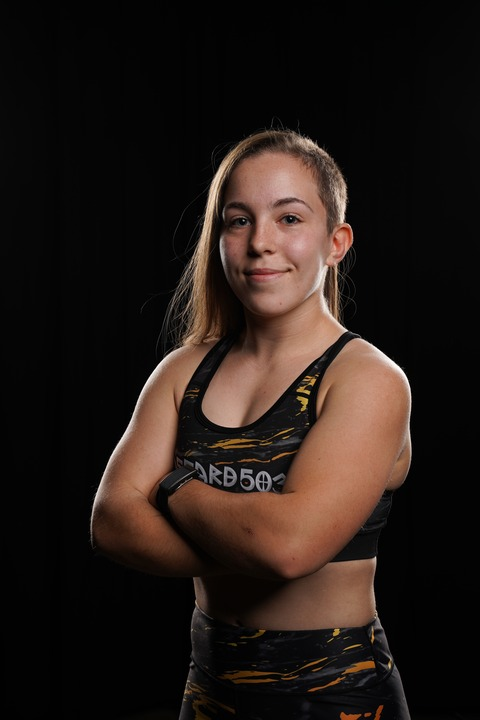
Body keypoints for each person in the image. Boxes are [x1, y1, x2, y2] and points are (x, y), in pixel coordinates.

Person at [90, 127, 412, 719]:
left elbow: (288, 549)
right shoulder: (183, 371)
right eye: (239, 221)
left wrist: (174, 487)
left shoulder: (367, 379)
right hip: (209, 693)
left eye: (289, 218)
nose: (261, 242)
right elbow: (111, 522)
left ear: (336, 242)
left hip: (334, 696)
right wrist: (249, 544)